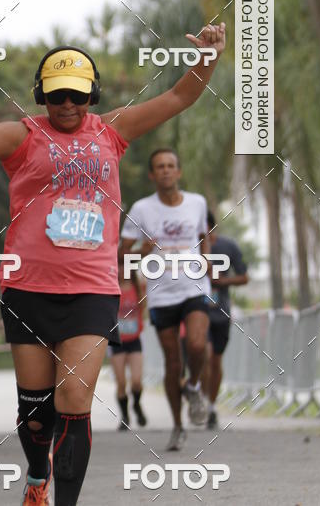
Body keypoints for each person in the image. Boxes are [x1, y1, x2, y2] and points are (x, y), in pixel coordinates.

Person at [0, 24, 225, 506]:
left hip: (92, 290)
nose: (68, 105)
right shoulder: (20, 136)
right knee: (36, 412)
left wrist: (207, 57)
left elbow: (180, 96)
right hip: (28, 289)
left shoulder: (113, 131)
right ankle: (38, 474)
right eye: (57, 96)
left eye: (77, 95)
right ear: (42, 94)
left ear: (92, 94)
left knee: (74, 402)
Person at [120, 150, 212, 452]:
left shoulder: (197, 202)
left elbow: (203, 234)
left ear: (179, 172)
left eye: (171, 166)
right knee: (173, 362)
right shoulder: (142, 209)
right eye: (159, 167)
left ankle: (194, 386)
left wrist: (207, 258)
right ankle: (177, 426)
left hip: (194, 286)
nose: (165, 171)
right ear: (152, 175)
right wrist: (143, 252)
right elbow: (121, 254)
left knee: (198, 345)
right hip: (161, 294)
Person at [201, 211, 248, 429]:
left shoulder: (228, 247)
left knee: (215, 361)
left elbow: (244, 277)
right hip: (197, 313)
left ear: (213, 227)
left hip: (221, 313)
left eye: (206, 229)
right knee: (204, 356)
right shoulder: (188, 250)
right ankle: (201, 399)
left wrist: (222, 281)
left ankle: (211, 405)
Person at [109, 256, 146, 431]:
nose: (122, 270)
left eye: (125, 266)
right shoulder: (111, 289)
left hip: (135, 340)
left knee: (137, 380)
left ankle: (137, 404)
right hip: (117, 341)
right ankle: (124, 416)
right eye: (119, 266)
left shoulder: (138, 288)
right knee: (121, 382)